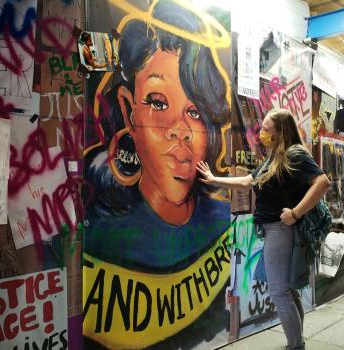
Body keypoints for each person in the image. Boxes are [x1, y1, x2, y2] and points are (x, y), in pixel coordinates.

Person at [84, 0, 231, 348]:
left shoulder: (222, 221)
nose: (179, 131)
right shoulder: (101, 234)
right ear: (127, 109)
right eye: (158, 103)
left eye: (194, 111)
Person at [197, 108, 331, 350]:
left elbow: (322, 182)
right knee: (287, 290)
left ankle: (295, 346)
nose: (262, 134)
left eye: (267, 130)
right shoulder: (275, 158)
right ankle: (296, 343)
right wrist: (215, 179)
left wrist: (295, 212)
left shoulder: (295, 154)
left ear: (281, 132)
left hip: (281, 229)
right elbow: (249, 181)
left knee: (279, 291)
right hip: (274, 230)